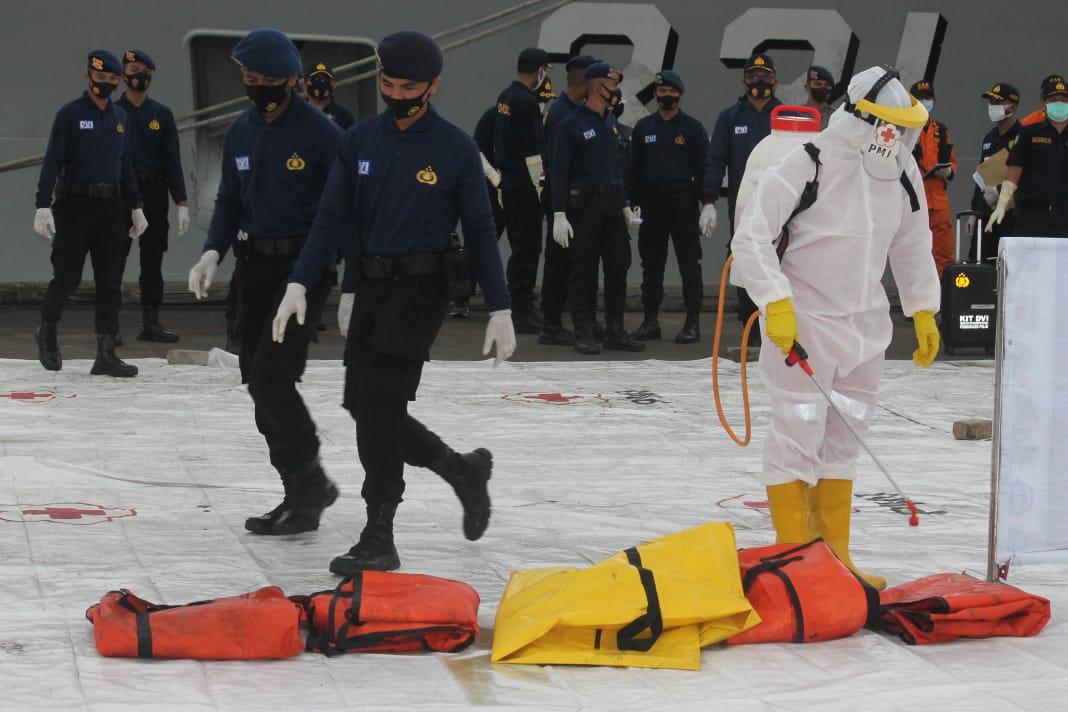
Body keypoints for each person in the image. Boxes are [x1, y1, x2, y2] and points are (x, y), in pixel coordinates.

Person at [271, 30, 516, 574]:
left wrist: (500, 307)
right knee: (361, 406)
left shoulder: (454, 148)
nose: (396, 93)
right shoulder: (358, 141)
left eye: (409, 85)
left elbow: (479, 230)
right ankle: (460, 469)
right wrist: (303, 282)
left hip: (422, 291)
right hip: (374, 288)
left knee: (379, 403)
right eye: (387, 82)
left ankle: (379, 531)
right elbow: (335, 218)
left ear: (433, 86)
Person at [730, 65, 941, 591]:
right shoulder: (809, 161)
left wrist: (923, 308)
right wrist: (775, 302)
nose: (898, 137)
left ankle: (836, 560)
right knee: (798, 434)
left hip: (865, 328)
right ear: (863, 118)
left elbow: (912, 242)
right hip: (806, 324)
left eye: (905, 126)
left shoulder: (902, 173)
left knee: (845, 437)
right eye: (890, 124)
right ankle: (794, 563)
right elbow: (751, 237)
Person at [187, 28, 343, 536]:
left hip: (302, 269)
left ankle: (312, 481)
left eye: (267, 80)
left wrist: (313, 279)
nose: (257, 88)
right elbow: (231, 199)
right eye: (249, 79)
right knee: (256, 381)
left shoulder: (322, 134)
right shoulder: (241, 132)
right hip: (254, 268)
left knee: (274, 376)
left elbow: (336, 213)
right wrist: (213, 249)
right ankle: (296, 491)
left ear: (292, 80)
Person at [33, 50, 148, 377]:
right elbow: (53, 159)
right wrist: (42, 202)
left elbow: (124, 165)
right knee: (67, 275)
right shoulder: (70, 114)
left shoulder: (121, 118)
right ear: (88, 77)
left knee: (110, 281)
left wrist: (136, 205)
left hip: (111, 207)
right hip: (75, 204)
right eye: (101, 79)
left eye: (113, 80)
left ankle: (106, 352)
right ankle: (48, 329)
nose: (106, 85)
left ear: (119, 81)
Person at [550, 61, 644, 355]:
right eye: (612, 85)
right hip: (586, 204)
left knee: (618, 266)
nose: (616, 91)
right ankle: (584, 330)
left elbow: (616, 167)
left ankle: (615, 329)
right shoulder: (571, 124)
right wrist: (559, 212)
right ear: (596, 87)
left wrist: (626, 205)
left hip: (611, 203)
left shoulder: (610, 122)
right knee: (584, 270)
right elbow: (559, 171)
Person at [626, 70, 713, 344]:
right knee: (651, 265)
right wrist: (629, 204)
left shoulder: (693, 128)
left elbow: (704, 169)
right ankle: (650, 321)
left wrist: (708, 203)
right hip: (651, 202)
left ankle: (692, 322)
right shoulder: (643, 128)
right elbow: (632, 169)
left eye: (671, 92)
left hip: (683, 201)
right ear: (655, 95)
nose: (666, 96)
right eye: (661, 92)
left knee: (689, 264)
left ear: (680, 95)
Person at [706, 53, 783, 342]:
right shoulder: (730, 118)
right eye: (753, 76)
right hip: (744, 207)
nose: (759, 82)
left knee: (782, 263)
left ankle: (779, 327)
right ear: (744, 80)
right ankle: (750, 329)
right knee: (745, 262)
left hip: (782, 207)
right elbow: (715, 160)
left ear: (775, 80)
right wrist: (709, 201)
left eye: (765, 76)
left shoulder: (785, 116)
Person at [115, 49, 189, 343]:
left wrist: (181, 200)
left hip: (154, 191)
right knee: (115, 258)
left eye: (145, 70)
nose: (139, 76)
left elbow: (172, 158)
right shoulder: (114, 112)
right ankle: (110, 326)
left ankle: (151, 322)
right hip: (121, 193)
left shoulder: (161, 114)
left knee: (153, 257)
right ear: (122, 76)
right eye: (134, 69)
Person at [537, 53, 598, 346]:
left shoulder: (565, 108)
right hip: (563, 195)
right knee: (561, 261)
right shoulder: (563, 114)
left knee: (566, 260)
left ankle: (557, 319)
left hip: (571, 195)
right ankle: (551, 322)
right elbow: (557, 164)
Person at [494, 48, 552, 333]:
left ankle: (517, 307)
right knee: (528, 251)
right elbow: (533, 155)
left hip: (509, 184)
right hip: (526, 189)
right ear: (540, 71)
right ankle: (522, 311)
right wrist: (543, 191)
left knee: (518, 250)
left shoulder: (505, 97)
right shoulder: (527, 103)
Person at [990, 74, 1068, 237]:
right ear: (1044, 102)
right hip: (1032, 219)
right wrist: (1001, 204)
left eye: (1064, 99)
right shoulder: (1029, 132)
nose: (1059, 103)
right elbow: (1014, 171)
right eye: (1054, 100)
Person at [909, 80, 958, 278]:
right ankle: (918, 301)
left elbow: (952, 162)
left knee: (944, 253)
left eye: (928, 98)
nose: (925, 102)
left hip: (938, 199)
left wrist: (948, 171)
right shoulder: (906, 129)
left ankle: (944, 297)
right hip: (915, 200)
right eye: (920, 98)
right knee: (914, 252)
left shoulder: (941, 129)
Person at [969, 82, 1021, 261]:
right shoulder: (989, 138)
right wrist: (974, 212)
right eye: (991, 102)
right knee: (979, 263)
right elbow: (981, 177)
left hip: (1010, 215)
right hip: (985, 211)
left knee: (1005, 264)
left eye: (997, 102)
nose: (992, 106)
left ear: (1012, 107)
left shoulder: (1022, 137)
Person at [304, 61, 355, 129]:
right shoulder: (296, 114)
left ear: (333, 85)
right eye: (316, 79)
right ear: (304, 86)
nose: (321, 82)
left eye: (325, 79)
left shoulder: (344, 116)